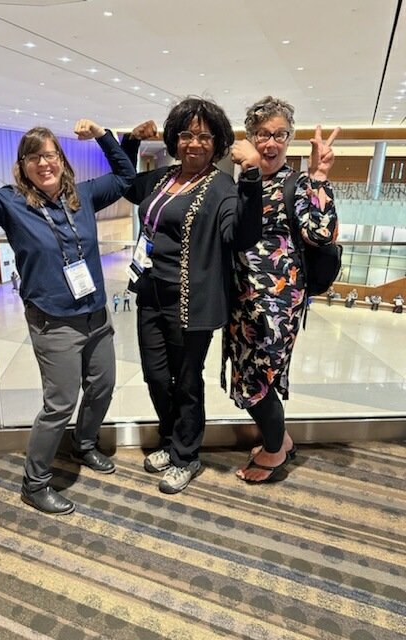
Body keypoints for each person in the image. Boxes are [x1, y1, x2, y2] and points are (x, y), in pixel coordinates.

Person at [0, 114, 135, 515]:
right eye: (33, 157)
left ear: (62, 159)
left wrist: (102, 136)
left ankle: (85, 444)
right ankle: (34, 483)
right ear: (22, 165)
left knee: (102, 387)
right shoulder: (9, 202)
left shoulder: (84, 196)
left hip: (95, 315)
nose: (44, 163)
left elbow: (126, 177)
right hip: (54, 321)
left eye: (51, 154)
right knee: (59, 404)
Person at [121, 97, 263, 494]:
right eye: (186, 134)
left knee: (185, 380)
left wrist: (250, 175)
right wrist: (129, 142)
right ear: (174, 139)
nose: (194, 143)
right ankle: (169, 440)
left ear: (217, 143)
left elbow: (242, 235)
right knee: (153, 376)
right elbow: (127, 185)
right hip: (150, 292)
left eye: (204, 136)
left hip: (191, 301)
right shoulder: (163, 178)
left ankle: (187, 455)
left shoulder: (221, 187)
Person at [222, 96, 340, 483]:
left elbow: (321, 234)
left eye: (279, 135)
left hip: (275, 305)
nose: (270, 143)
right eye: (262, 134)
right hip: (241, 302)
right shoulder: (245, 180)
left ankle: (274, 452)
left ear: (289, 139)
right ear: (250, 136)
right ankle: (281, 439)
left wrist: (320, 176)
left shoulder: (298, 183)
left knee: (259, 379)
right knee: (248, 376)